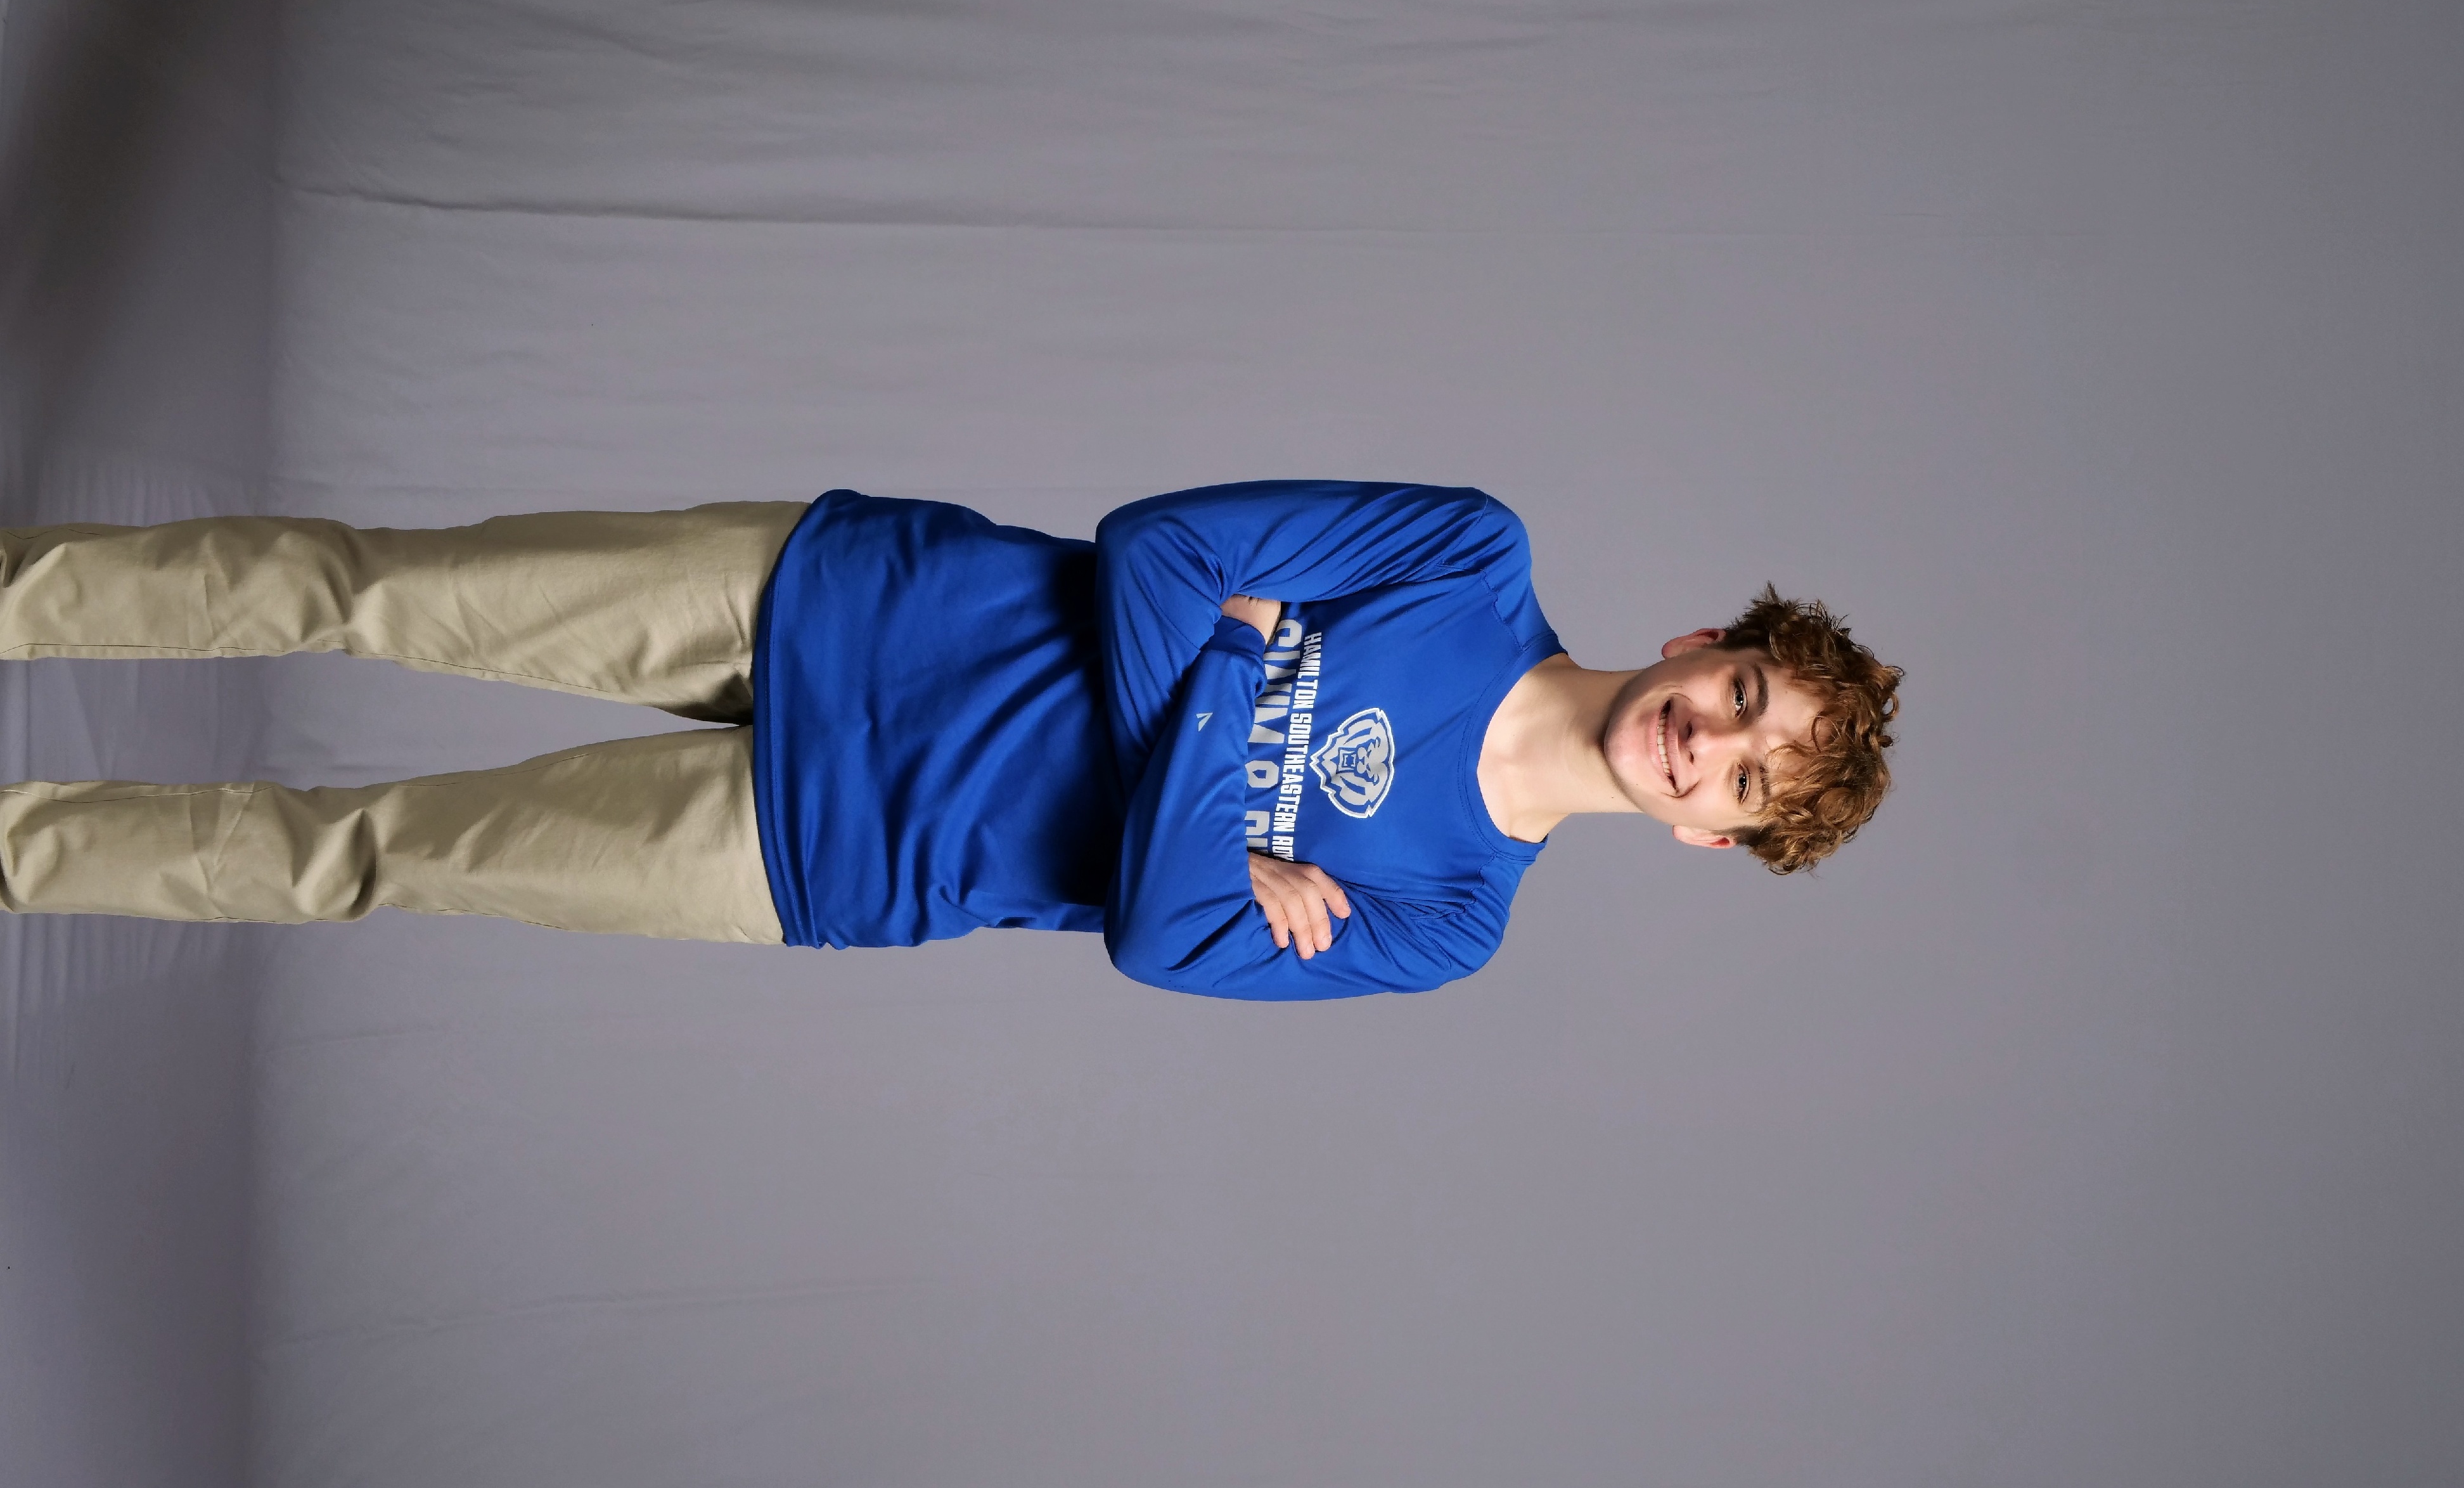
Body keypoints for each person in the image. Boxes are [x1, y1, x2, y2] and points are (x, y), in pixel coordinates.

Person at [0, 482, 1901, 999]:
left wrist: (1234, 670)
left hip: (837, 853)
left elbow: (1161, 941)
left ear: (1711, 841)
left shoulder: (1447, 921)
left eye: (1744, 784)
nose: (1704, 745)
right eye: (1742, 695)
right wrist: (1219, 828)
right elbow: (1160, 545)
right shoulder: (1469, 560)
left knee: (363, 858)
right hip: (847, 598)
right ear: (1704, 644)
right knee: (361, 584)